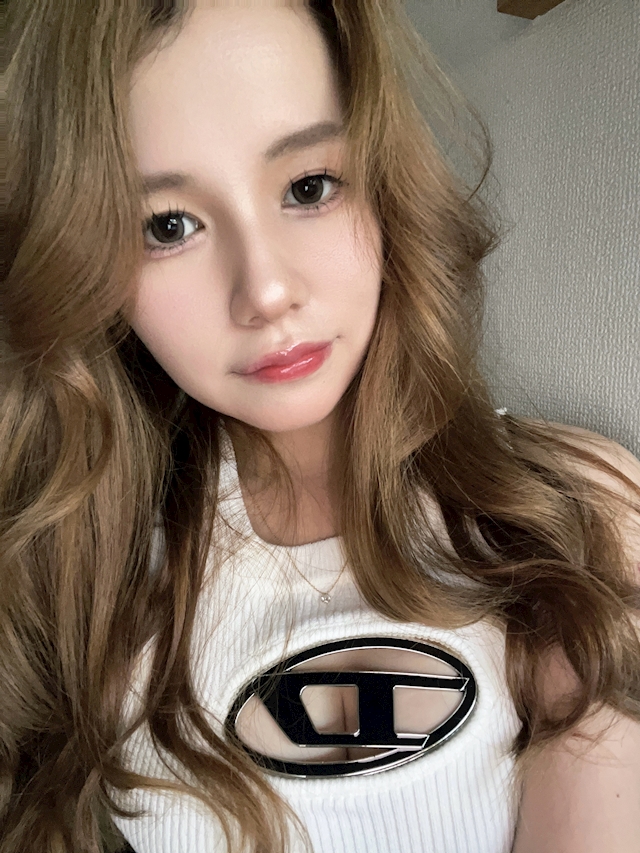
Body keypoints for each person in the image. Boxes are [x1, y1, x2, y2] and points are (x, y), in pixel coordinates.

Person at [2, 1, 639, 852]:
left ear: (382, 180)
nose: (265, 291)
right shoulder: (77, 578)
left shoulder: (569, 514)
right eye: (167, 226)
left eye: (308, 186)